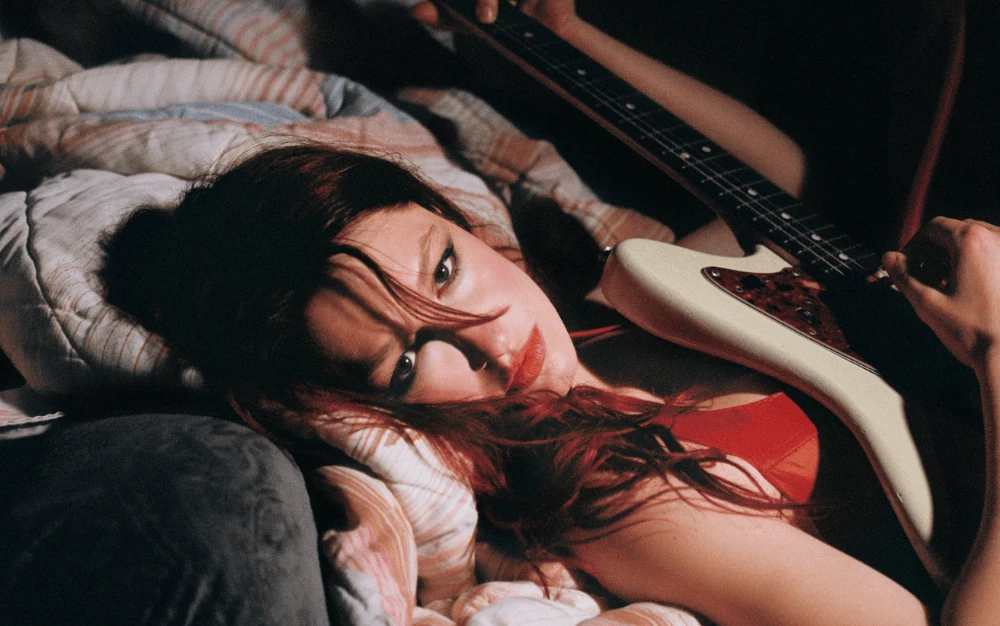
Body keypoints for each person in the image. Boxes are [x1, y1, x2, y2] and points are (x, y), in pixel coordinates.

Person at [95, 2, 1000, 625]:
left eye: (445, 269)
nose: (488, 341)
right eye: (408, 362)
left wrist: (571, 40)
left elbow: (792, 185)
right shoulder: (609, 489)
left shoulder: (631, 301)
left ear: (463, 223)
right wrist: (995, 349)